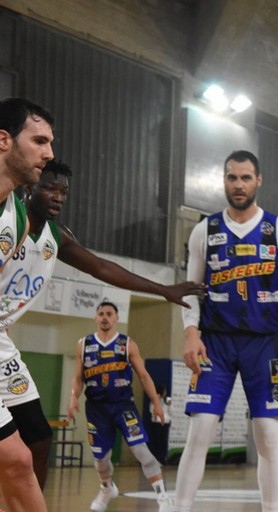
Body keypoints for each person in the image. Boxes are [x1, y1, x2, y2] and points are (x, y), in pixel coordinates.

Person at [0, 159, 206, 493]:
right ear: (28, 187)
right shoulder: (9, 218)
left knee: (38, 437)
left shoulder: (57, 237)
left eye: (63, 192)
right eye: (49, 188)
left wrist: (163, 289)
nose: (57, 197)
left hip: (3, 343)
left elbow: (102, 267)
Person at [174, 150, 278, 512]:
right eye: (232, 177)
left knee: (267, 436)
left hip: (265, 344)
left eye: (245, 177)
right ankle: (180, 507)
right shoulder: (205, 230)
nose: (238, 184)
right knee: (199, 430)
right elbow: (192, 290)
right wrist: (190, 333)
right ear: (224, 181)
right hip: (214, 343)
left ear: (258, 180)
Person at [0, 97, 54, 512]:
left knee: (21, 458)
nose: (49, 153)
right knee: (16, 459)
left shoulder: (17, 216)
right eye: (38, 140)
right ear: (4, 140)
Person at [67, 301, 172, 512]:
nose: (104, 317)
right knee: (100, 460)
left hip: (123, 406)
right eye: (101, 314)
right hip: (97, 409)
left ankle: (163, 497)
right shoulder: (84, 344)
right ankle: (107, 488)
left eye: (109, 314)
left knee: (141, 450)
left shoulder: (126, 344)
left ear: (116, 318)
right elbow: (78, 378)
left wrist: (156, 402)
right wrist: (73, 398)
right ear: (96, 317)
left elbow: (143, 375)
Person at [148, 385, 172, 465]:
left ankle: (162, 459)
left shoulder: (167, 400)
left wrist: (170, 405)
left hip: (166, 422)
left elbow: (171, 412)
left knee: (163, 441)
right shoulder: (154, 399)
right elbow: (152, 411)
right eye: (164, 391)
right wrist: (156, 400)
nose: (165, 393)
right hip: (156, 423)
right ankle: (156, 459)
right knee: (156, 441)